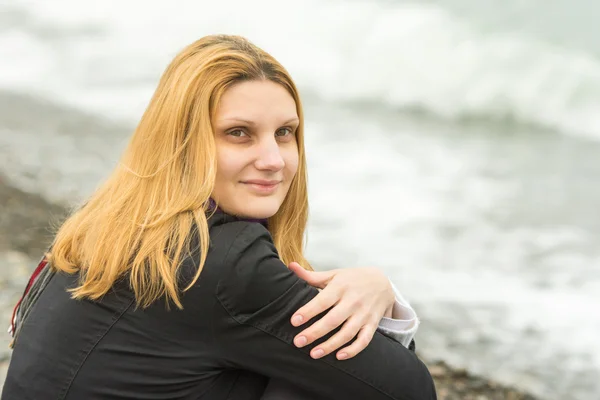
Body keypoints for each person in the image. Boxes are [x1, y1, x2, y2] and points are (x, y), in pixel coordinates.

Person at [2, 35, 436, 399]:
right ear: (181, 143)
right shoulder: (224, 260)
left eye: (284, 132)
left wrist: (373, 289)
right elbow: (407, 389)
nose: (273, 160)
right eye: (238, 133)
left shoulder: (110, 227)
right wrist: (383, 297)